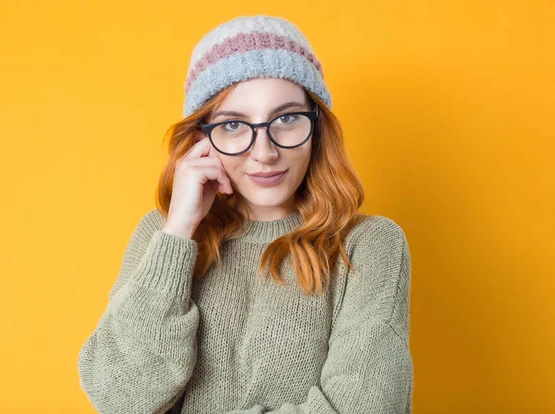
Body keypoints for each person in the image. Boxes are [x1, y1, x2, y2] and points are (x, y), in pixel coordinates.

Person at [77, 14, 413, 414]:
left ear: (317, 126)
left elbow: (361, 407)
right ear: (201, 140)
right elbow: (120, 397)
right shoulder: (163, 235)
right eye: (234, 124)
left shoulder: (368, 245)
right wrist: (179, 231)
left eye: (287, 118)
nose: (264, 152)